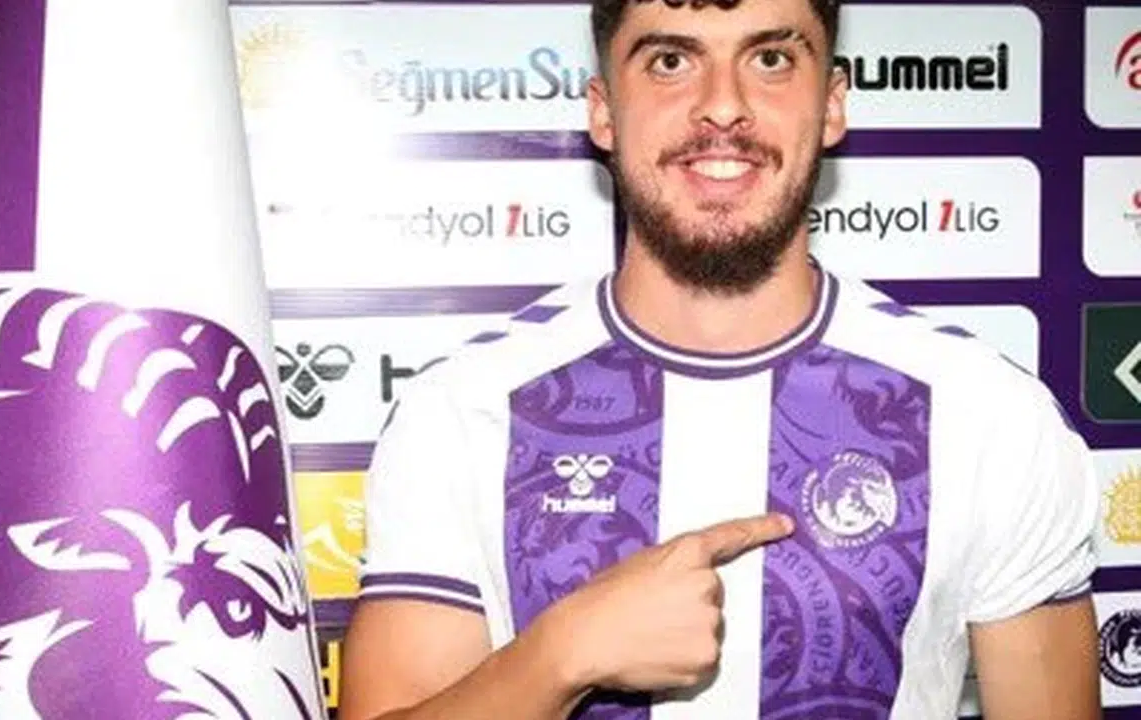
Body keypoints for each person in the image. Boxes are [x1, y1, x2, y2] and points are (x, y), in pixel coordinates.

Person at [338, 0, 1103, 717]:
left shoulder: (986, 414)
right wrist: (558, 655)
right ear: (603, 110)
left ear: (832, 105)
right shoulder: (464, 410)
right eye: (671, 61)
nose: (724, 106)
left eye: (771, 59)